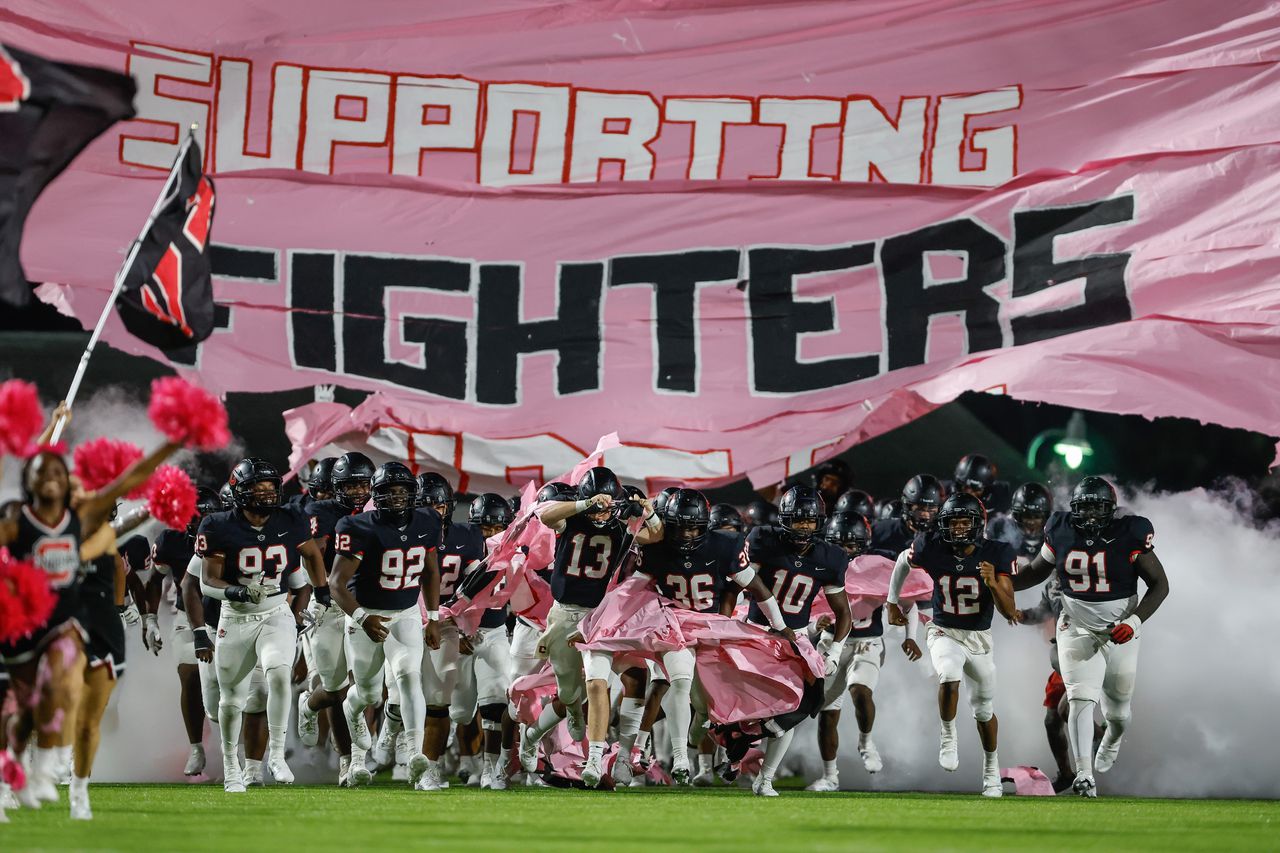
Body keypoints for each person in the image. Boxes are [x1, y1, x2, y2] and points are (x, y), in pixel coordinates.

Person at [0, 439, 176, 815]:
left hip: (85, 626)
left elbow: (131, 496)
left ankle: (73, 781)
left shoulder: (97, 534)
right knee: (28, 707)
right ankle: (21, 772)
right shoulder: (31, 525)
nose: (81, 494)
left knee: (86, 708)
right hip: (33, 627)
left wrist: (174, 448)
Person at [1012, 476, 1170, 798]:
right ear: (1073, 510)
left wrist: (1136, 622)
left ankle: (1112, 735)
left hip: (1120, 630)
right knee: (1080, 697)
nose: (1091, 517)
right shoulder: (1060, 529)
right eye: (1084, 510)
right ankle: (1084, 774)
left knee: (1119, 712)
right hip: (1075, 625)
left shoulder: (1130, 534)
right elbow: (1036, 572)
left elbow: (1160, 585)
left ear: (1111, 510)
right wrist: (1003, 584)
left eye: (1098, 510)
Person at [633, 488, 789, 785]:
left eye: (694, 527)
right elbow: (635, 589)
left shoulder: (724, 545)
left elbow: (756, 586)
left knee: (705, 711)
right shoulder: (655, 546)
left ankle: (703, 738)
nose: (688, 534)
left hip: (710, 628)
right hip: (673, 623)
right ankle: (679, 757)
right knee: (678, 683)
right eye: (682, 527)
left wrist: (779, 625)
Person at [520, 466, 663, 788]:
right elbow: (545, 516)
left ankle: (611, 756)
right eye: (596, 503)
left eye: (608, 504)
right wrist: (587, 505)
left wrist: (649, 513)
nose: (602, 511)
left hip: (603, 616)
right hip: (566, 614)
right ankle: (532, 735)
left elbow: (654, 535)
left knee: (612, 681)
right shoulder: (573, 516)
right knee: (570, 693)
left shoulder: (622, 525)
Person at [197, 457, 330, 792]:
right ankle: (230, 766)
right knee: (231, 700)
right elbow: (205, 582)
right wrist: (238, 590)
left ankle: (276, 755)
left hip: (276, 613)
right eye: (259, 487)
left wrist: (323, 590)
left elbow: (312, 554)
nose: (267, 494)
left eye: (271, 487)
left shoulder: (292, 518)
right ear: (241, 491)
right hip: (236, 616)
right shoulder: (217, 525)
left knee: (279, 674)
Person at [887, 493, 1019, 797]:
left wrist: (993, 582)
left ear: (978, 524)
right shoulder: (931, 546)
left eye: (964, 522)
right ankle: (948, 736)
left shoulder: (996, 553)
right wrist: (892, 601)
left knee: (984, 710)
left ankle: (991, 773)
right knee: (948, 672)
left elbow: (1010, 611)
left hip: (979, 638)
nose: (958, 529)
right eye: (953, 522)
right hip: (943, 630)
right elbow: (902, 561)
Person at [331, 462, 442, 790]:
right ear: (376, 496)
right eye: (389, 492)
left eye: (403, 492)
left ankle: (416, 753)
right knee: (367, 693)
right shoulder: (358, 526)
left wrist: (432, 618)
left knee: (410, 676)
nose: (396, 498)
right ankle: (352, 718)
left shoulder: (428, 520)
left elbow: (431, 572)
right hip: (366, 613)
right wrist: (363, 619)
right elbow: (336, 582)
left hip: (406, 613)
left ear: (413, 494)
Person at [739, 485, 851, 797]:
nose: (804, 527)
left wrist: (835, 650)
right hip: (756, 632)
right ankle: (726, 749)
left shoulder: (831, 558)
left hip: (796, 639)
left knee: (800, 704)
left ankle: (766, 778)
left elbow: (844, 612)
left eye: (810, 521)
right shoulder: (763, 540)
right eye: (798, 520)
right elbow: (741, 581)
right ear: (785, 519)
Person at [297, 451, 375, 786]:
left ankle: (354, 761)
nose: (359, 491)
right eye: (351, 484)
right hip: (328, 605)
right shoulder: (321, 511)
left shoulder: (379, 512)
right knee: (334, 688)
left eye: (363, 483)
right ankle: (309, 705)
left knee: (366, 686)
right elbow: (314, 550)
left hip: (366, 605)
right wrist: (321, 589)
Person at [806, 511, 888, 791]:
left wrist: (905, 623)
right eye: (840, 544)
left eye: (851, 545)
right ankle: (830, 777)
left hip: (867, 642)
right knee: (827, 712)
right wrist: (815, 624)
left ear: (864, 544)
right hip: (831, 644)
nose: (845, 551)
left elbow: (909, 595)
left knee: (859, 690)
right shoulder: (819, 566)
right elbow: (806, 609)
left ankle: (866, 742)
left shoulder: (878, 567)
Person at [415, 471, 484, 790]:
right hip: (404, 617)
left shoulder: (468, 536)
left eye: (438, 505)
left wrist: (468, 624)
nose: (433, 511)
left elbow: (477, 587)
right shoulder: (401, 533)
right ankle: (389, 739)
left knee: (441, 697)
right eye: (425, 504)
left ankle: (429, 767)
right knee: (391, 686)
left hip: (445, 623)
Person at [152, 486, 224, 777]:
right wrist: (149, 618)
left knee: (230, 687)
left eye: (204, 515)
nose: (198, 522)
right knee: (190, 675)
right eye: (192, 515)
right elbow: (152, 581)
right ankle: (196, 747)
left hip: (228, 618)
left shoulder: (230, 536)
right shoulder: (171, 541)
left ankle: (235, 750)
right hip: (186, 617)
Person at [453, 492, 516, 790]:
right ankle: (465, 760)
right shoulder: (463, 549)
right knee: (461, 711)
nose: (490, 533)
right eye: (484, 528)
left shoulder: (517, 552)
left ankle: (492, 768)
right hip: (459, 633)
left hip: (494, 632)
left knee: (496, 702)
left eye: (496, 527)